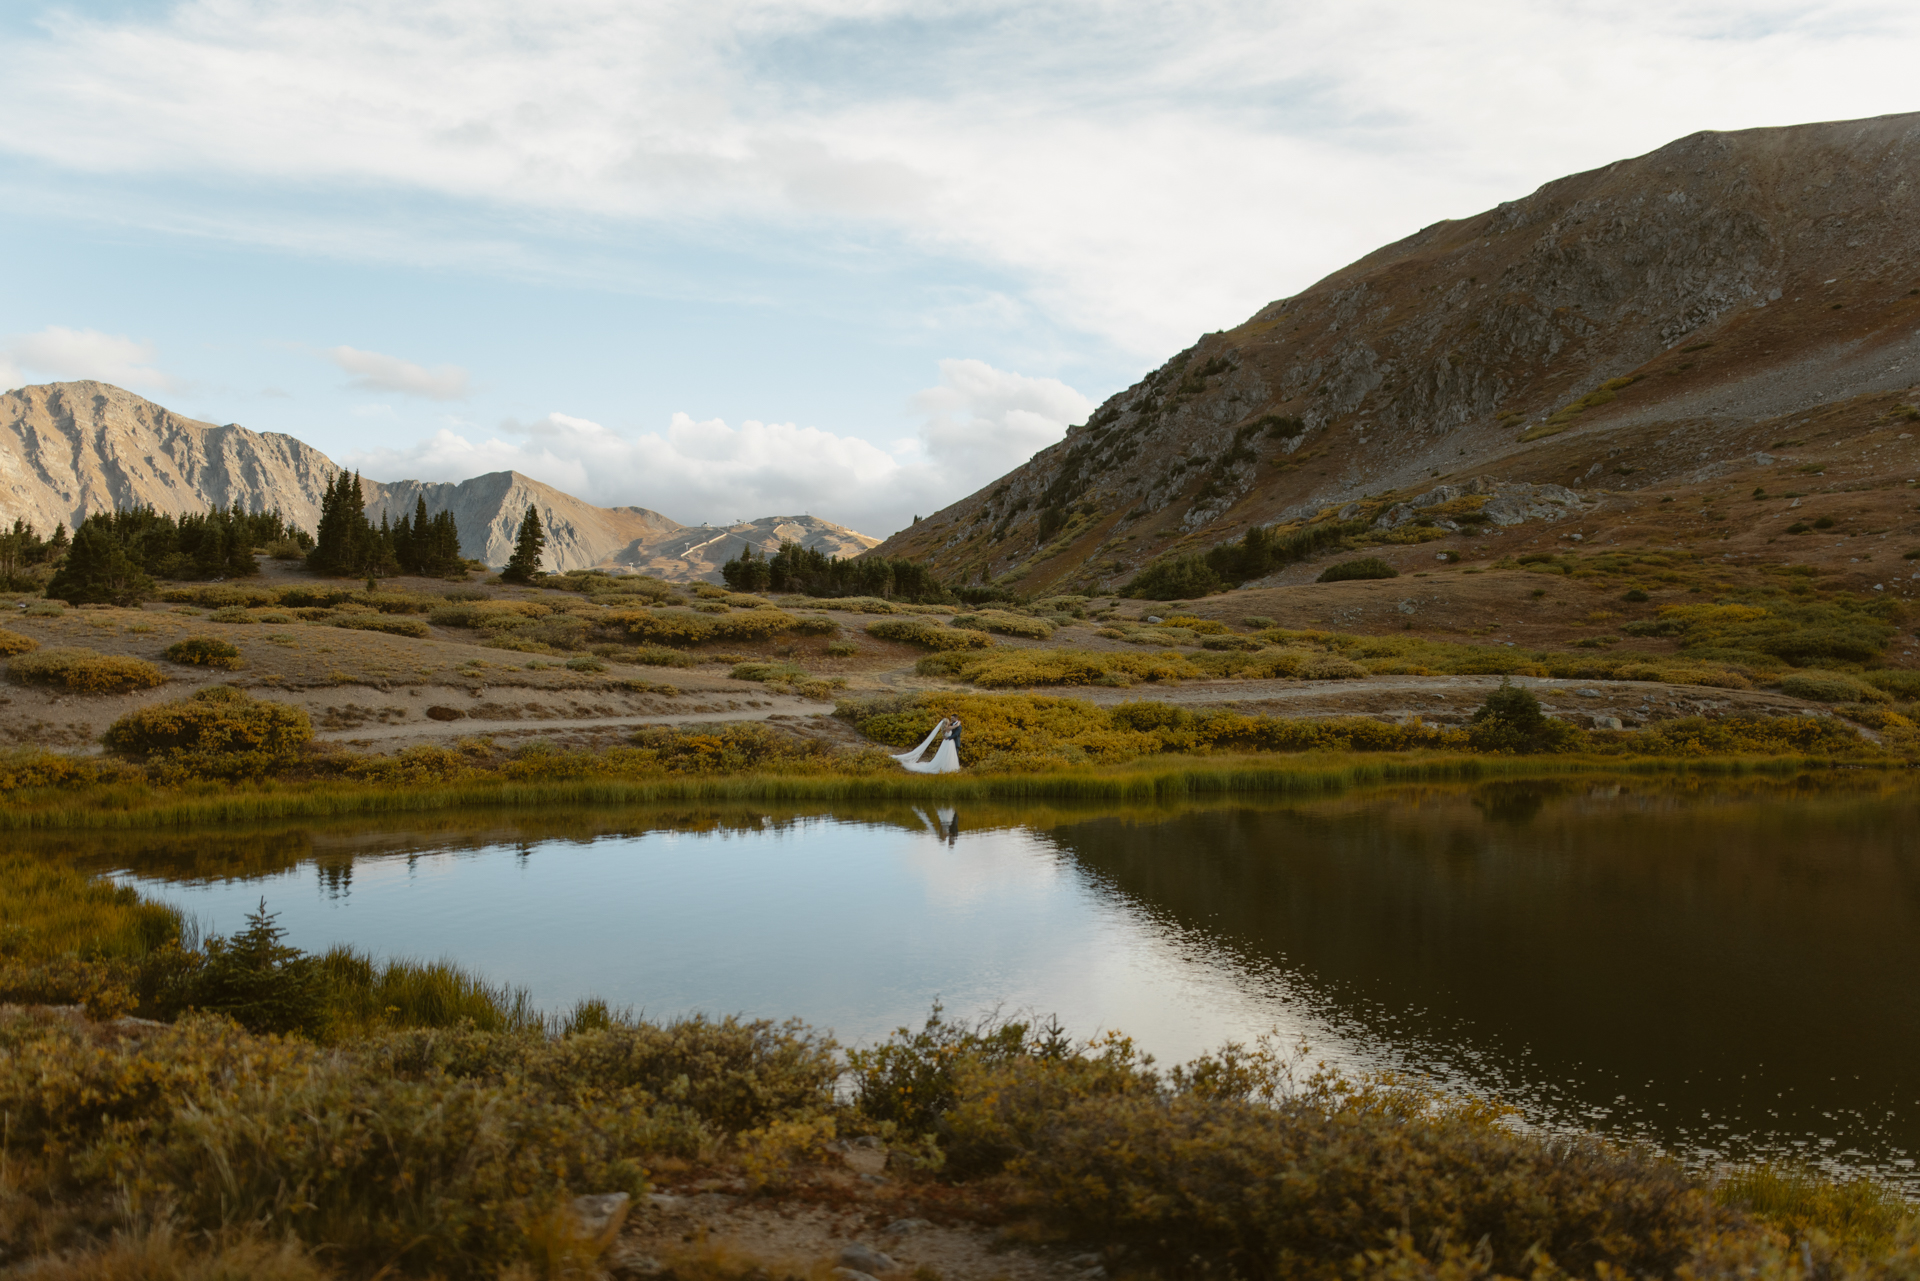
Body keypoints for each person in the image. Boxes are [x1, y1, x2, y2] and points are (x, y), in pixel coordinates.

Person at [892, 715, 962, 774]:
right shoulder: (949, 727)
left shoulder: (944, 728)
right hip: (949, 742)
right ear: (947, 722)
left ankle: (947, 767)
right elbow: (956, 726)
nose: (950, 721)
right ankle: (949, 767)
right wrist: (958, 723)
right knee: (948, 755)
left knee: (946, 755)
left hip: (946, 742)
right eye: (949, 720)